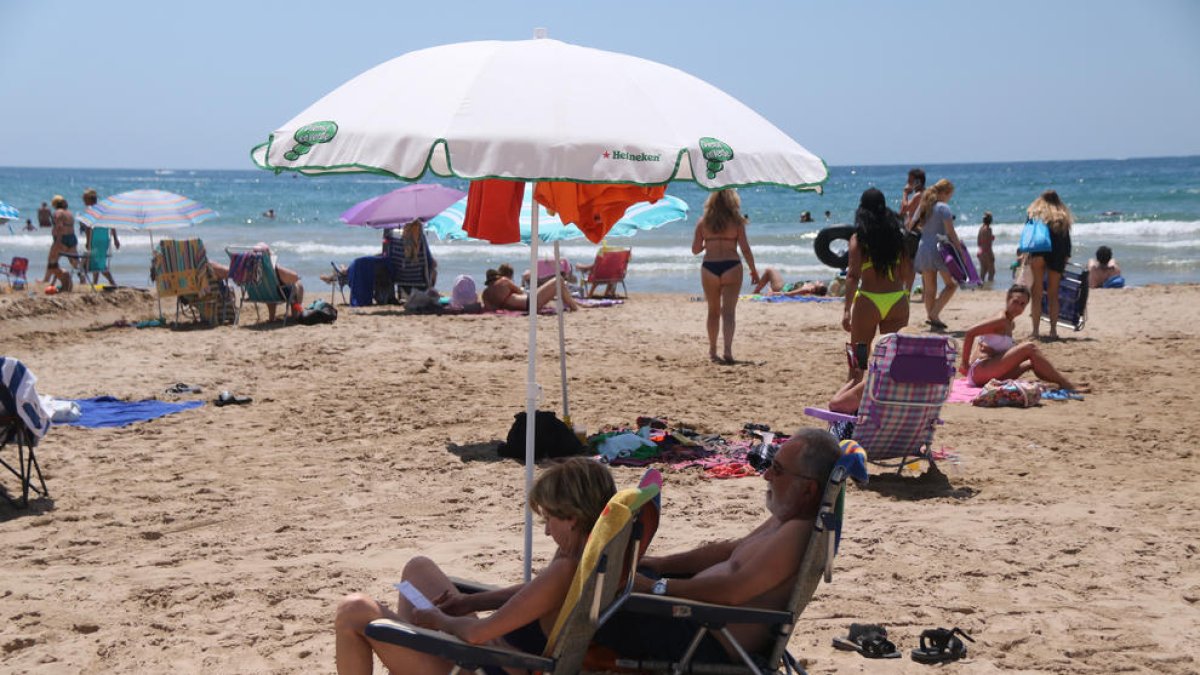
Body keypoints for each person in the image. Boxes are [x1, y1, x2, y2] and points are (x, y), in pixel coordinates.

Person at [334, 458, 616, 675]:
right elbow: (534, 593)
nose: (545, 532)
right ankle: (414, 655)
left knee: (353, 610)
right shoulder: (589, 555)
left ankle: (415, 654)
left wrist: (438, 620)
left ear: (572, 519)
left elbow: (475, 634)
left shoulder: (565, 570)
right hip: (491, 652)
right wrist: (467, 601)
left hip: (486, 665)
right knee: (418, 568)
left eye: (548, 520)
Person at [593, 428, 842, 665]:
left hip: (706, 638)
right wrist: (660, 565)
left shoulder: (798, 533)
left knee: (590, 611)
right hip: (696, 620)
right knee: (611, 582)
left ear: (809, 489)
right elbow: (730, 551)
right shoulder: (788, 518)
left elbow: (733, 591)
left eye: (777, 469)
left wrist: (657, 587)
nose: (766, 475)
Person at [959, 284, 1085, 390]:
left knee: (1031, 362)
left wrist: (992, 352)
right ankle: (1066, 384)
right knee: (1030, 347)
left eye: (1022, 304)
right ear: (1007, 299)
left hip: (990, 371)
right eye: (1015, 302)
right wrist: (965, 364)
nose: (1018, 307)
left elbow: (987, 341)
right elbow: (970, 333)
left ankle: (1061, 382)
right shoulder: (1001, 320)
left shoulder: (1010, 323)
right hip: (980, 372)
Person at [842, 188, 909, 381]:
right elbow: (906, 273)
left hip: (869, 301)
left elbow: (853, 276)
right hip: (897, 300)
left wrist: (847, 309)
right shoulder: (898, 236)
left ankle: (854, 397)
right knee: (892, 358)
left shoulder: (859, 238)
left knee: (859, 357)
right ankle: (888, 403)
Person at [693, 189, 758, 364]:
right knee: (728, 312)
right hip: (732, 266)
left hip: (709, 268)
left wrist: (709, 244)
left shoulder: (703, 222)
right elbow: (745, 249)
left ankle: (713, 351)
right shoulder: (737, 222)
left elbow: (695, 250)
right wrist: (753, 270)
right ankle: (728, 350)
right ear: (733, 201)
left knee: (713, 311)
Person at [912, 179, 963, 331]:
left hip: (923, 247)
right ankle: (933, 315)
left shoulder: (924, 205)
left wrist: (928, 233)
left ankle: (933, 320)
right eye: (950, 195)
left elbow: (912, 225)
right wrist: (959, 248)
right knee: (951, 284)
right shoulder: (943, 208)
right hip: (938, 248)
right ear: (945, 193)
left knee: (929, 288)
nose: (949, 198)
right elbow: (950, 231)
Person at [1025, 190, 1073, 339]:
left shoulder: (1034, 213)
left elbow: (1029, 236)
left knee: (1037, 294)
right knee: (1053, 294)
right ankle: (1053, 331)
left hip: (1039, 252)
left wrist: (1025, 256)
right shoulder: (1062, 216)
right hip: (1057, 253)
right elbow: (1066, 242)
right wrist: (1065, 260)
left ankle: (1035, 331)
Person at [481, 263, 580, 313]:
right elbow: (520, 292)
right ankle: (574, 308)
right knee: (559, 280)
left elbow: (490, 309)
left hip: (526, 306)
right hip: (530, 302)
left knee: (558, 285)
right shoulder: (503, 281)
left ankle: (571, 306)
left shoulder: (485, 294)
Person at [42, 195, 79, 290]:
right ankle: (82, 279)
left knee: (52, 260)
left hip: (61, 239)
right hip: (72, 238)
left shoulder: (58, 213)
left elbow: (59, 226)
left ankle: (47, 279)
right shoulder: (69, 213)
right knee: (75, 263)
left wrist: (58, 241)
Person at [899, 168, 926, 291]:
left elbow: (905, 209)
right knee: (918, 264)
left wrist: (904, 193)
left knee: (909, 264)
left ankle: (907, 291)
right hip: (921, 231)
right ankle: (924, 293)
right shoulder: (926, 194)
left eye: (910, 181)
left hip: (914, 232)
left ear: (917, 182)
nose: (907, 184)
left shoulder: (918, 195)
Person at [750, 268, 827, 297]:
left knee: (769, 270)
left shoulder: (807, 288)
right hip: (785, 286)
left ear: (817, 288)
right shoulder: (810, 287)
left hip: (781, 288)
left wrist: (774, 293)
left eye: (820, 283)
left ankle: (755, 293)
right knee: (769, 273)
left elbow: (789, 294)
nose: (820, 281)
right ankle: (756, 291)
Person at [977, 211, 996, 284]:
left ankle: (981, 286)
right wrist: (991, 255)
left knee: (983, 271)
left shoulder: (981, 229)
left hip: (980, 252)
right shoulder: (989, 229)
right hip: (987, 252)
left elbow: (978, 242)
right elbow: (988, 245)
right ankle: (989, 286)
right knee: (992, 272)